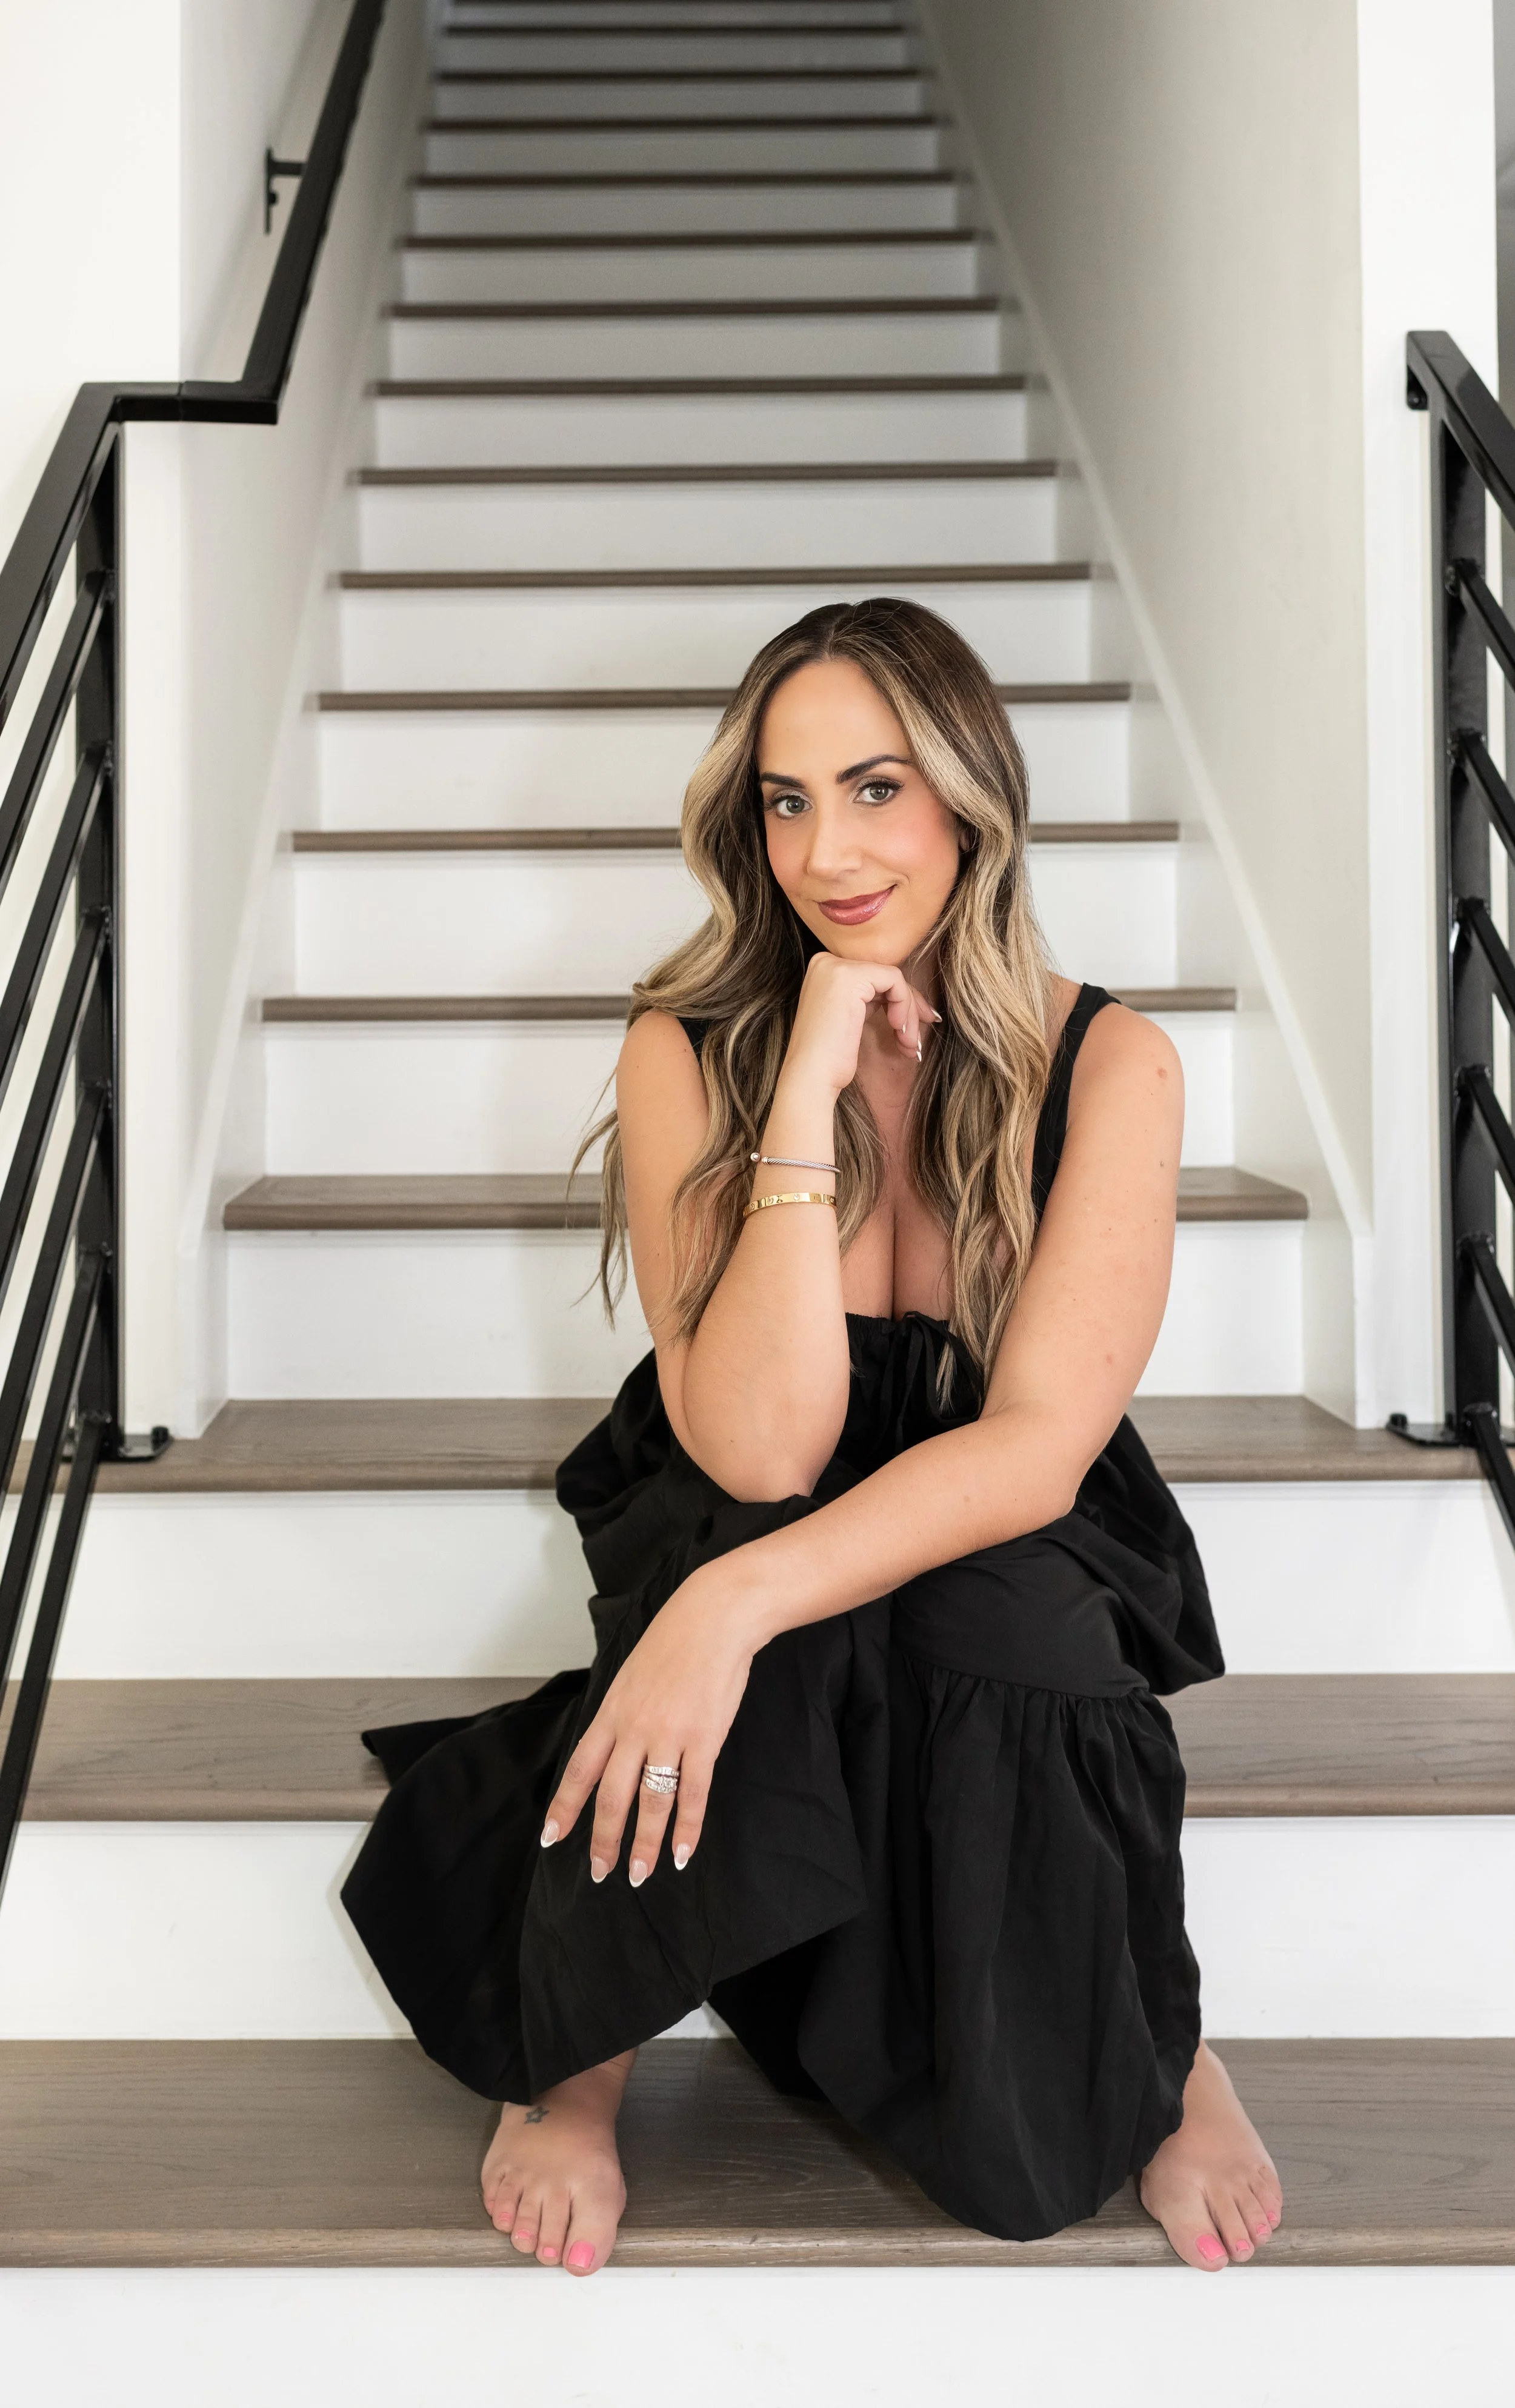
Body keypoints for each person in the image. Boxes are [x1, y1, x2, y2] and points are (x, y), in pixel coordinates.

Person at [342, 597, 1283, 2278]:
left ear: (970, 799)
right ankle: (586, 2043)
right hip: (742, 1462)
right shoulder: (685, 1048)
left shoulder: (1110, 1063)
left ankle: (1160, 2033)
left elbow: (1034, 1450)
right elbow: (763, 1448)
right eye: (786, 800)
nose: (827, 852)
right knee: (732, 1544)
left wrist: (728, 1614)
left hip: (989, 1491)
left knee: (1002, 1621)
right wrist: (799, 1091)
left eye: (875, 788)